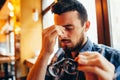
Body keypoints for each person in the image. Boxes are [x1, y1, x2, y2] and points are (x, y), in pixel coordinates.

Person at [27, 0, 120, 80]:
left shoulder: (113, 57)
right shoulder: (58, 56)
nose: (62, 35)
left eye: (69, 28)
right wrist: (44, 53)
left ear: (86, 26)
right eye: (59, 29)